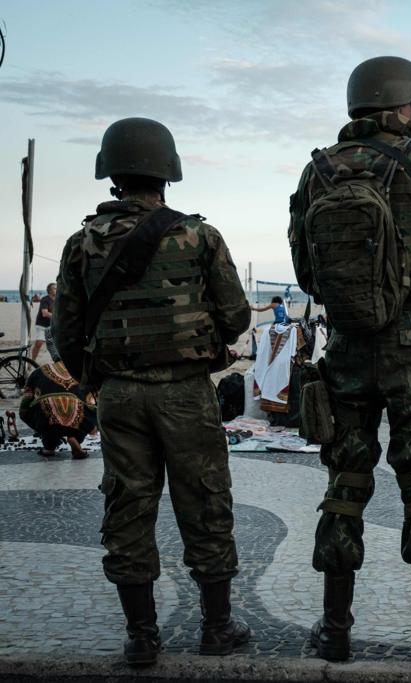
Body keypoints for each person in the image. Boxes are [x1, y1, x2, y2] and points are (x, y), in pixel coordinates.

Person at [288, 56, 411, 663]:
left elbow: (306, 273)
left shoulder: (317, 171)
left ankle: (334, 629)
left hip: (346, 344)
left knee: (345, 478)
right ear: (401, 104)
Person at [53, 117, 252, 665]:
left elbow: (65, 332)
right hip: (186, 393)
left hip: (119, 395)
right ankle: (217, 628)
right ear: (168, 172)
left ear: (111, 174)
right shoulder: (199, 236)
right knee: (205, 501)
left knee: (127, 507)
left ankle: (141, 636)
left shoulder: (81, 243)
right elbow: (236, 317)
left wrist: (99, 379)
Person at [19, 360, 96, 458]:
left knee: (45, 417)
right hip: (77, 412)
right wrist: (92, 425)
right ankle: (75, 438)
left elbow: (27, 398)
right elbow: (93, 399)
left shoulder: (39, 371)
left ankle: (49, 448)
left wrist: (25, 414)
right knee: (85, 411)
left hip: (47, 412)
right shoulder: (81, 371)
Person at [30, 283, 56, 361]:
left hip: (52, 325)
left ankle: (57, 362)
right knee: (39, 343)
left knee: (57, 345)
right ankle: (32, 361)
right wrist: (57, 317)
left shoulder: (58, 300)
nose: (57, 289)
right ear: (49, 290)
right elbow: (45, 313)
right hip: (41, 325)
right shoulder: (45, 299)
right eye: (54, 288)